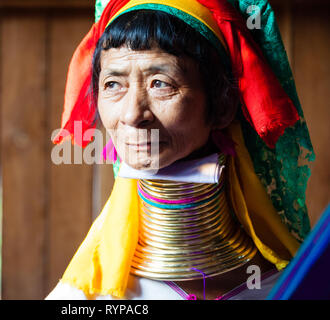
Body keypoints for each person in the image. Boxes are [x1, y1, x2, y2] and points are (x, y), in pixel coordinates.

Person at [46, 0, 314, 300]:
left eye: (161, 83)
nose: (133, 114)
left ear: (223, 105)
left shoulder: (289, 288)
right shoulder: (84, 296)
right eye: (113, 84)